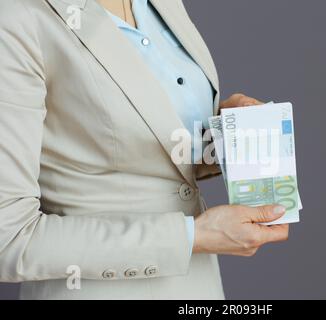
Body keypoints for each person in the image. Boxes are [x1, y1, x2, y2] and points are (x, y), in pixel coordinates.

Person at [0, 0, 289, 299]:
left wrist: (223, 135)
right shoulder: (17, 17)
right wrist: (192, 237)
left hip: (198, 286)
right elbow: (8, 239)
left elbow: (143, 142)